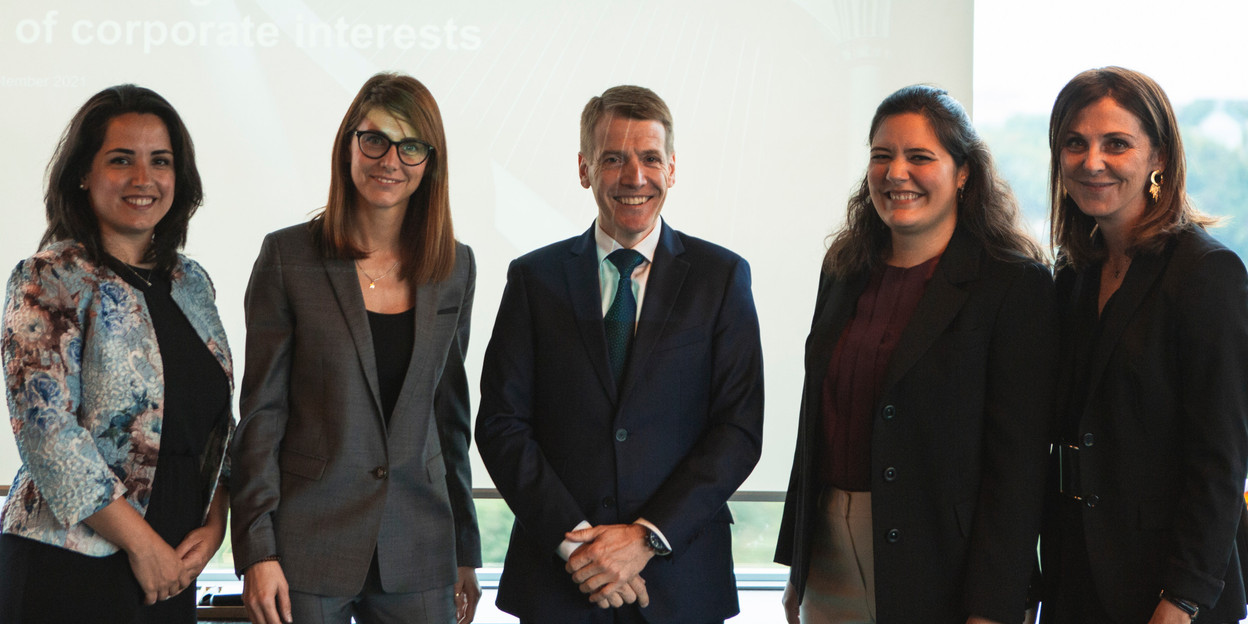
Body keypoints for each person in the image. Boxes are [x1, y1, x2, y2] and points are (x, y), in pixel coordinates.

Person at [475, 84, 764, 624]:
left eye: (650, 158)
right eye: (613, 159)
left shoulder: (721, 278)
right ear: (584, 169)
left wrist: (645, 539)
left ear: (672, 169)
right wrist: (582, 549)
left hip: (682, 583)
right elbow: (500, 425)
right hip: (558, 584)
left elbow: (739, 429)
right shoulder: (534, 279)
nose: (634, 177)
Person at [775, 84, 1057, 624]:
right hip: (829, 552)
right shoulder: (844, 269)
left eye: (920, 157)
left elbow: (1017, 470)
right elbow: (816, 421)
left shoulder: (1013, 285)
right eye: (881, 157)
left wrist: (993, 605)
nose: (895, 173)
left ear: (963, 171)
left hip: (948, 567)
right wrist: (797, 564)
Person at [230, 73, 481, 624]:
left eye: (410, 145)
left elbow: (450, 416)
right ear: (349, 144)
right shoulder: (287, 256)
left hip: (419, 546)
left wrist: (466, 547)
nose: (390, 159)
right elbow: (262, 416)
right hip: (306, 546)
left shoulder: (455, 267)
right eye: (375, 139)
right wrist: (257, 550)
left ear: (429, 162)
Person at [0, 85, 233, 624]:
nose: (143, 179)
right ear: (83, 173)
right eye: (121, 160)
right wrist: (142, 546)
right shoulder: (49, 277)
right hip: (69, 565)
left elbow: (217, 422)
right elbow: (46, 430)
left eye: (161, 161)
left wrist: (216, 521)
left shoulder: (190, 283)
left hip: (173, 566)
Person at [1040, 67, 1248, 624]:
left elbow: (1220, 461)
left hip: (1168, 593)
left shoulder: (1207, 274)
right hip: (1076, 577)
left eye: (1117, 144)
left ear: (1158, 157)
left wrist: (1182, 599)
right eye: (1074, 143)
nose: (1092, 162)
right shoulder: (1073, 274)